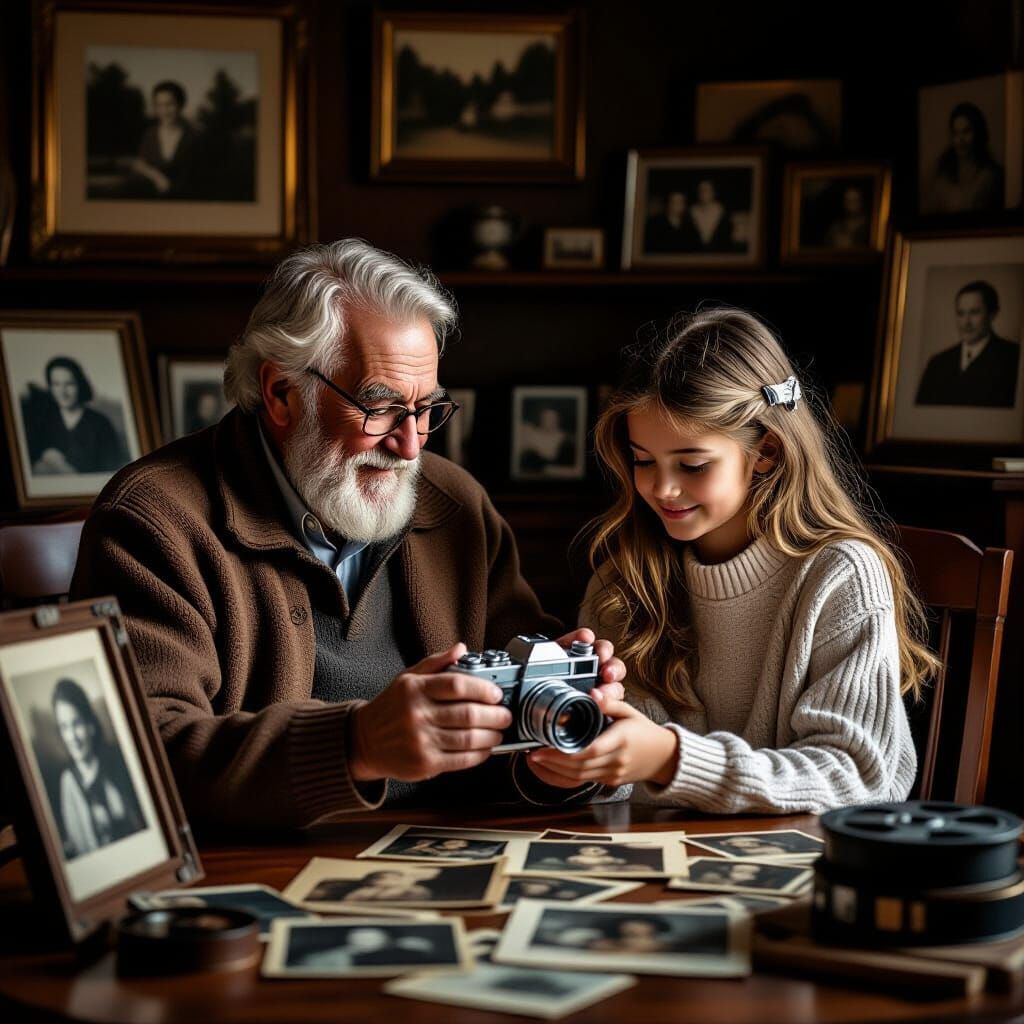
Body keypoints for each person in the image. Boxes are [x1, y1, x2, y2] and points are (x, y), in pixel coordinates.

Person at [69, 239, 625, 832]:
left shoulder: (456, 504)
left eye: (427, 410)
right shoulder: (156, 520)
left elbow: (509, 752)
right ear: (283, 393)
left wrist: (558, 749)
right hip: (244, 872)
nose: (410, 445)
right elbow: (135, 759)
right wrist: (356, 743)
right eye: (379, 408)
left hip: (444, 853)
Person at [525, 307, 934, 814]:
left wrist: (673, 760)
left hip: (797, 870)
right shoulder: (622, 582)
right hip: (653, 869)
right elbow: (620, 787)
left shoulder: (840, 576)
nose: (661, 488)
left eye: (692, 464)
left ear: (766, 451)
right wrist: (577, 758)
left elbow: (856, 774)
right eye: (643, 460)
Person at [51, 677, 144, 858]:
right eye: (64, 727)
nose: (72, 737)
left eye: (76, 723)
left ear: (90, 725)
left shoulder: (118, 763)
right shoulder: (68, 782)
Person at [915, 280, 1020, 407]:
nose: (966, 322)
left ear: (992, 314)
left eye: (974, 312)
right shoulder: (937, 363)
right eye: (961, 313)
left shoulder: (1014, 357)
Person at [25, 356, 128, 475]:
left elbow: (111, 472)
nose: (63, 392)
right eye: (56, 384)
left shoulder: (100, 424)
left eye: (69, 384)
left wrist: (61, 466)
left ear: (80, 384)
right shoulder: (44, 422)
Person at [923, 101, 1004, 214]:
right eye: (956, 133)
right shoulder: (943, 176)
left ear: (978, 133)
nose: (960, 139)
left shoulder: (990, 177)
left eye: (966, 131)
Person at [129, 80, 200, 199]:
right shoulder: (149, 134)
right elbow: (139, 164)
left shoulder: (194, 137)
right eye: (159, 105)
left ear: (181, 104)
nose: (164, 111)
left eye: (169, 104)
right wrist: (157, 177)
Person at [517, 404, 575, 475]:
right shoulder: (532, 433)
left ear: (557, 420)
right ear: (541, 418)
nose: (549, 421)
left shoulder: (564, 437)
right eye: (546, 418)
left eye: (552, 418)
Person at [586, 916, 674, 953]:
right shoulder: (601, 946)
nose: (643, 942)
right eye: (632, 935)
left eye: (650, 935)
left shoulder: (665, 947)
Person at [823, 184, 869, 249]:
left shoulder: (870, 226)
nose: (851, 205)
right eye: (848, 201)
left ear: (862, 202)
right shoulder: (836, 227)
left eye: (855, 200)